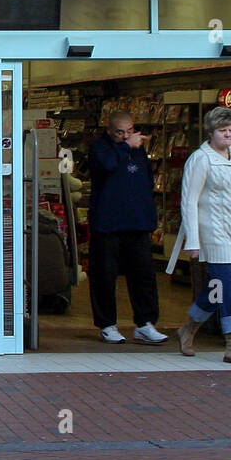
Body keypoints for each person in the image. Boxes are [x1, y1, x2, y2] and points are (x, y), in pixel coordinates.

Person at [173, 106, 231, 364]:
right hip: (214, 234)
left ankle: (188, 329)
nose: (228, 134)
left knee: (216, 289)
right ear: (211, 132)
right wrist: (194, 241)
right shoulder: (201, 159)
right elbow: (189, 201)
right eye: (223, 130)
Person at [87, 110, 167, 344]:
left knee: (143, 276)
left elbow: (146, 182)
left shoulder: (139, 150)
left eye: (130, 131)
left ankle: (145, 323)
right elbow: (107, 165)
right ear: (110, 130)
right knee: (105, 275)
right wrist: (125, 147)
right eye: (120, 132)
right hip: (107, 225)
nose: (126, 136)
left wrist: (149, 217)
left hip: (138, 224)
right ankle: (107, 324)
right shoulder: (99, 148)